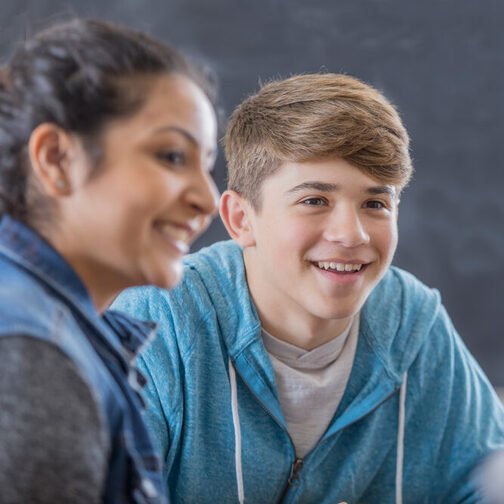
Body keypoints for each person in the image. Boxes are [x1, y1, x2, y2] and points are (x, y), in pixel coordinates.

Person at [112, 73, 504, 503]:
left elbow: (486, 480)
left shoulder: (412, 319)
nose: (351, 234)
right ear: (241, 219)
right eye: (314, 200)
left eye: (375, 203)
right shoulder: (157, 321)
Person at [0, 18, 219, 504]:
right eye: (170, 155)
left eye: (206, 165)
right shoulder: (31, 357)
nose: (209, 200)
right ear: (56, 159)